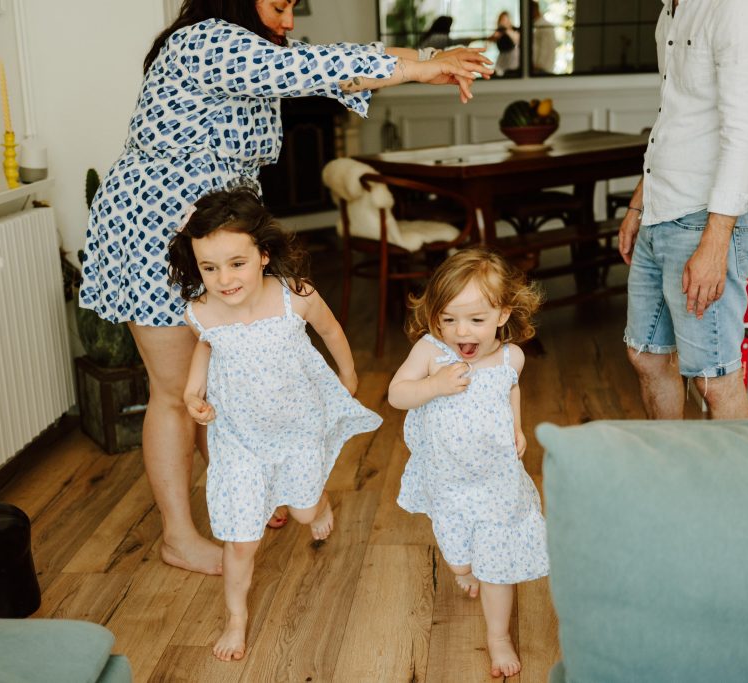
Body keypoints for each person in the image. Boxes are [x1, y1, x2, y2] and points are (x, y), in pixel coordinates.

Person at [79, 0, 494, 577]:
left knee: (228, 371)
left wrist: (431, 57)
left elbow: (345, 63)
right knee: (177, 392)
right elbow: (315, 68)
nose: (289, 20)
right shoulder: (205, 42)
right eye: (279, 4)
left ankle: (243, 495)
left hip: (222, 233)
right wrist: (422, 68)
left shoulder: (253, 50)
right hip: (156, 228)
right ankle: (179, 536)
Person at [171, 188, 382, 661]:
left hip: (298, 429)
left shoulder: (295, 296)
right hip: (240, 442)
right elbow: (204, 352)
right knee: (240, 539)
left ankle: (317, 500)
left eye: (236, 263)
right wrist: (191, 396)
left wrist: (348, 374)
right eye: (209, 268)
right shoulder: (200, 313)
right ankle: (236, 619)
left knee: (305, 512)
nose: (223, 279)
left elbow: (330, 330)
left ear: (263, 255)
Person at [388, 248, 549, 679]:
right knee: (461, 561)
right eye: (449, 319)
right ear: (434, 316)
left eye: (476, 319)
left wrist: (517, 428)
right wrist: (435, 385)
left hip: (497, 481)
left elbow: (509, 391)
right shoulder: (431, 352)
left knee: (497, 565)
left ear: (502, 314)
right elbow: (397, 394)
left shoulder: (511, 358)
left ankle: (498, 637)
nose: (462, 331)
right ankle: (464, 569)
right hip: (448, 483)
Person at [617, 0, 748, 420]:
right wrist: (640, 201)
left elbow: (745, 132)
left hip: (706, 220)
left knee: (714, 378)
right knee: (647, 356)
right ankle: (674, 476)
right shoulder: (673, 9)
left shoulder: (741, 8)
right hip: (660, 208)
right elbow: (674, 118)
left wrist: (715, 242)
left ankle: (735, 488)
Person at [488, 11, 520, 76]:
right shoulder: (498, 32)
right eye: (502, 20)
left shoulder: (514, 30)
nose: (504, 22)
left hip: (513, 59)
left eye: (505, 19)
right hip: (502, 59)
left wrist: (507, 30)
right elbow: (488, 44)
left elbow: (517, 41)